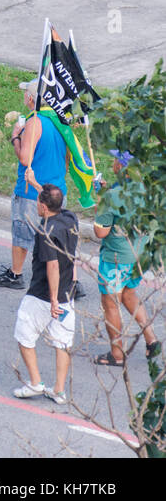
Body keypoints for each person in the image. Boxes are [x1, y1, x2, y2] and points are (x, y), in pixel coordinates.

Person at [0, 79, 71, 290]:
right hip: (58, 191)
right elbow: (67, 158)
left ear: (30, 99)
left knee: (22, 234)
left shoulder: (34, 122)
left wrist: (16, 138)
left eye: (25, 94)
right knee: (58, 238)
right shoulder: (60, 121)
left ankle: (16, 274)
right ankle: (69, 281)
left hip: (32, 192)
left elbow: (25, 159)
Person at [92, 153, 161, 366]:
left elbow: (100, 232)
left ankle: (117, 354)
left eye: (115, 160)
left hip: (115, 258)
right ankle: (151, 339)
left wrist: (100, 204)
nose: (113, 163)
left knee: (111, 304)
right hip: (139, 255)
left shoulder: (113, 196)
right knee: (129, 294)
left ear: (122, 166)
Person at [12, 184, 79, 404]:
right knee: (62, 342)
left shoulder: (45, 231)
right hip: (68, 295)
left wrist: (52, 300)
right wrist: (37, 185)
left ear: (42, 206)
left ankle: (35, 382)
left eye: (39, 203)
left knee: (24, 333)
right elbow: (51, 199)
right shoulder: (70, 218)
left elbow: (52, 266)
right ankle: (59, 390)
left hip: (43, 296)